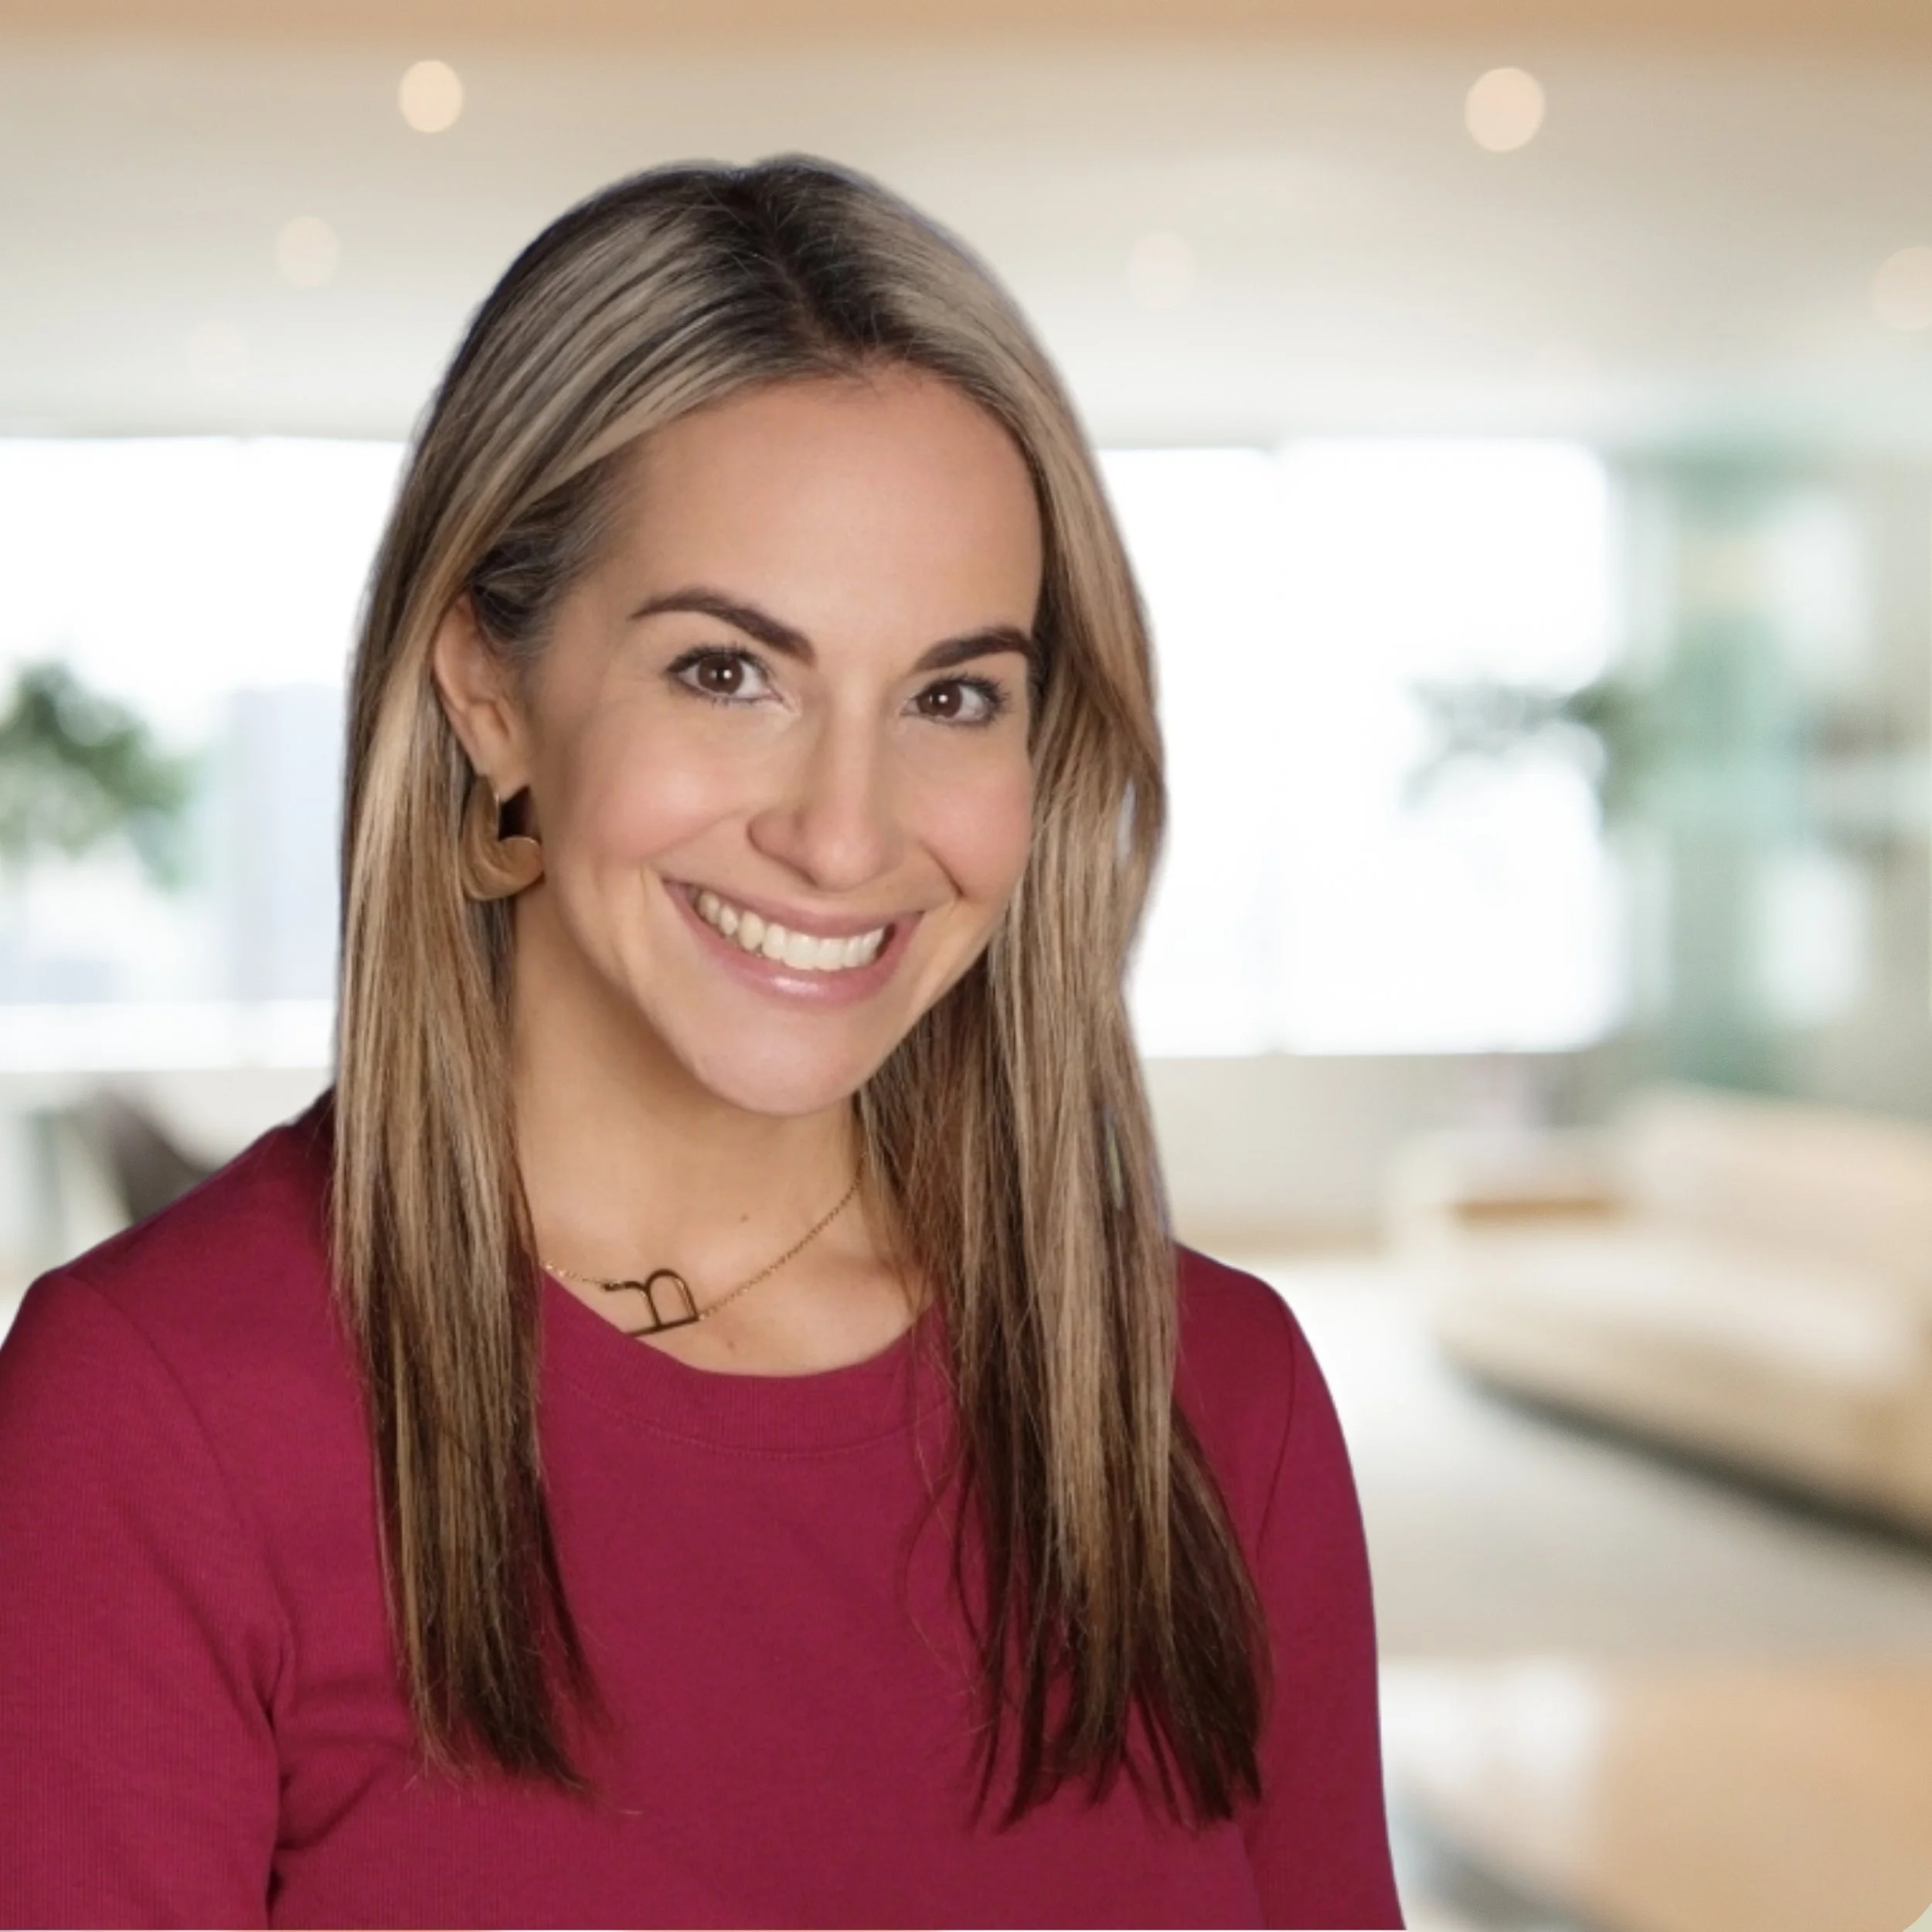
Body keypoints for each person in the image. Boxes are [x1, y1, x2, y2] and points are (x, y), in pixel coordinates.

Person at [0, 158, 1403, 1930]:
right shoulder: (157, 1421)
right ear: (487, 686)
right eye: (728, 672)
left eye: (950, 694)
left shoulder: (1212, 1397)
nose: (842, 831)